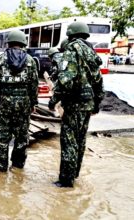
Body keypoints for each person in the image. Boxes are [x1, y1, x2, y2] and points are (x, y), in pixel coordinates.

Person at [48, 21, 104, 187]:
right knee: (80, 140)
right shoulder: (90, 51)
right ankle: (75, 174)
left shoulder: (72, 48)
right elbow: (99, 81)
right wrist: (97, 103)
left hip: (73, 104)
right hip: (87, 104)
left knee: (69, 141)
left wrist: (53, 100)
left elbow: (66, 78)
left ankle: (66, 180)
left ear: (70, 34)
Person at [0, 30, 39, 172]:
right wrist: (33, 103)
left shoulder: (0, 60)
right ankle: (18, 165)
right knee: (22, 136)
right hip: (23, 104)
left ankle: (1, 165)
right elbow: (34, 85)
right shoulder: (30, 60)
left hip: (4, 103)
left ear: (9, 42)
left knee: (2, 136)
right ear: (23, 42)